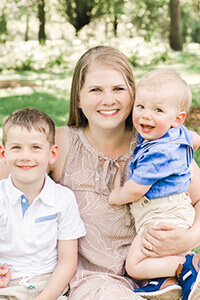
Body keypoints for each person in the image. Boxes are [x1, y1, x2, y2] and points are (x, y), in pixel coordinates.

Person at [1, 46, 200, 300]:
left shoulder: (159, 143)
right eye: (96, 90)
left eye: (118, 89)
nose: (108, 100)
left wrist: (189, 238)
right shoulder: (60, 145)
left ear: (133, 94)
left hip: (162, 273)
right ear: (79, 99)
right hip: (95, 281)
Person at [109, 69, 200, 299]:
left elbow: (137, 188)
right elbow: (195, 140)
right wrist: (182, 157)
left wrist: (116, 195)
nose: (146, 116)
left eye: (158, 110)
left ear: (177, 118)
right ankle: (165, 283)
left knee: (136, 265)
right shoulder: (178, 135)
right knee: (154, 257)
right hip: (177, 210)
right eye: (141, 107)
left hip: (161, 214)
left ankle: (185, 266)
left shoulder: (157, 153)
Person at [0, 108, 86, 300]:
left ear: (52, 154)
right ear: (3, 153)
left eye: (35, 148)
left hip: (47, 286)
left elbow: (68, 261)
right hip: (6, 285)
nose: (25, 156)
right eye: (16, 148)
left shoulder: (63, 199)